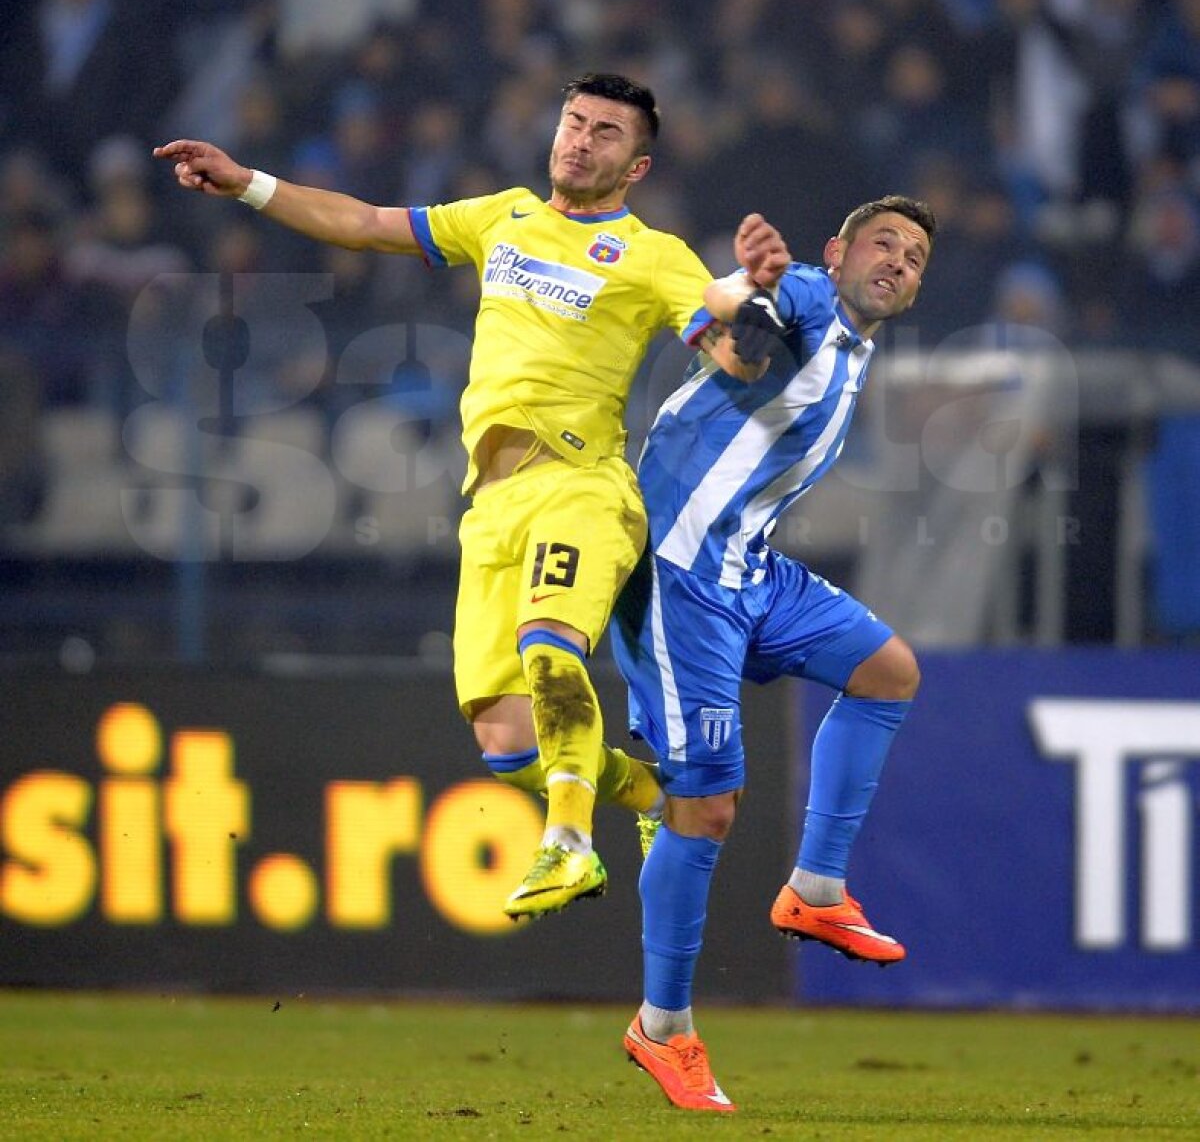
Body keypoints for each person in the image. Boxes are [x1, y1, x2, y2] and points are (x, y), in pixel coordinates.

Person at [154, 72, 788, 923]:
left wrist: (757, 317)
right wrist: (247, 184)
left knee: (550, 648)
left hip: (582, 487)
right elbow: (365, 224)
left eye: (605, 132)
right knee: (505, 739)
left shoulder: (653, 254)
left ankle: (568, 843)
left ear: (636, 168)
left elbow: (730, 354)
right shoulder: (502, 217)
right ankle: (649, 795)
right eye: (574, 121)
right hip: (490, 509)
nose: (581, 140)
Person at [612, 195, 937, 1112]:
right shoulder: (802, 293)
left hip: (748, 569)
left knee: (888, 672)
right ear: (837, 252)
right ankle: (663, 1027)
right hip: (680, 573)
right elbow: (740, 328)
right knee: (706, 807)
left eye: (915, 257)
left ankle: (816, 888)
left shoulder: (855, 349)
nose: (898, 261)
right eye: (883, 243)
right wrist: (746, 305)